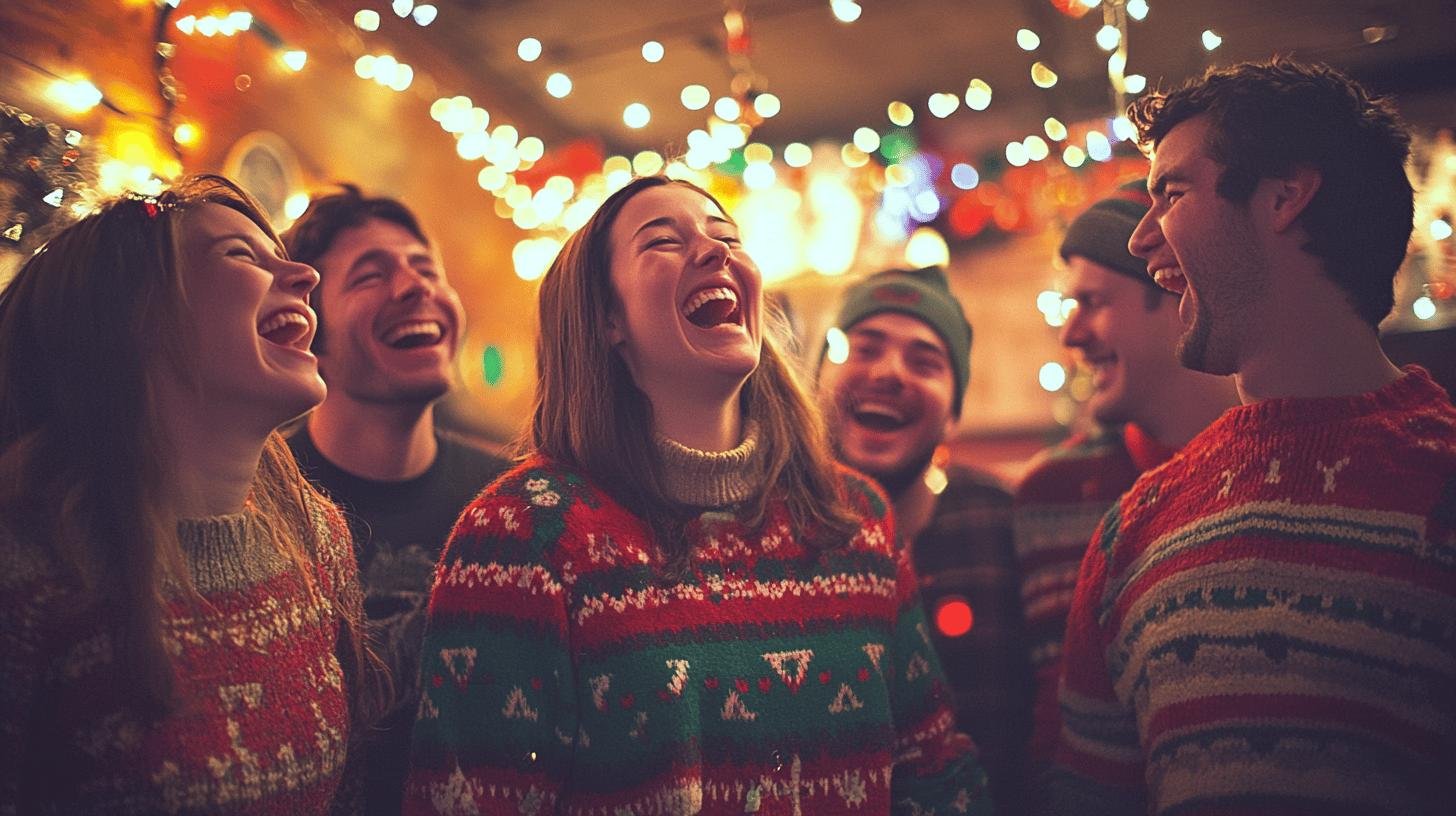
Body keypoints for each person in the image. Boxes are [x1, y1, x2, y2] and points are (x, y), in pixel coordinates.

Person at [403, 175, 992, 815]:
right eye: (663, 241)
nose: (716, 253)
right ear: (607, 319)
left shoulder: (854, 515)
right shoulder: (521, 532)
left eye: (726, 237)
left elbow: (932, 772)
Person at [1047, 59, 1456, 815]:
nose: (1141, 239)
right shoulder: (1133, 529)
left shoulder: (1442, 482)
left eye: (1170, 192)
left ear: (1283, 197)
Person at [0, 175, 375, 814]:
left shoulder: (316, 537)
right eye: (240, 254)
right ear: (127, 317)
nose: (304, 276)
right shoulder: (28, 569)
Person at [281, 185, 508, 814]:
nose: (415, 289)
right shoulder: (258, 501)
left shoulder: (512, 502)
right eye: (370, 276)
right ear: (310, 331)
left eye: (426, 268)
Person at [1013, 182, 1237, 769]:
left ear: (1173, 291)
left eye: (1092, 301)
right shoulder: (1057, 490)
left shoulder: (1278, 465)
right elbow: (1058, 722)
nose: (1071, 334)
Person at [817, 266, 1028, 811]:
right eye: (864, 349)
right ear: (816, 380)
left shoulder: (1006, 525)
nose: (889, 373)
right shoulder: (760, 540)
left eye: (926, 362)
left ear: (954, 415)